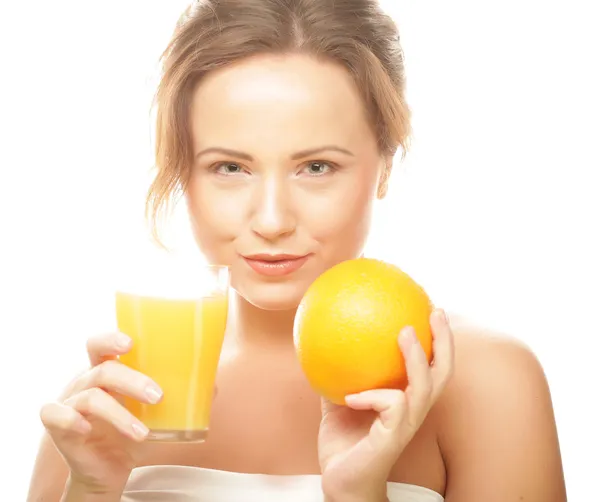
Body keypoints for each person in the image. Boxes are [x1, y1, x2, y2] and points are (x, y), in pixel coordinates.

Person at [27, 1, 567, 501]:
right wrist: (91, 490)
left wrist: (358, 494)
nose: (271, 220)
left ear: (384, 166)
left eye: (316, 167)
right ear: (182, 175)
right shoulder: (107, 402)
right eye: (230, 168)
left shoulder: (484, 383)